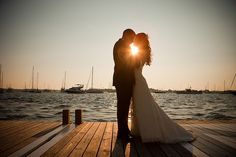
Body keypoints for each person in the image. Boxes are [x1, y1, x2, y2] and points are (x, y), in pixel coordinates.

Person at [130, 33, 194, 143]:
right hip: (138, 81)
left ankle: (149, 132)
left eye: (135, 39)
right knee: (140, 106)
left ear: (139, 40)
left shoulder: (138, 52)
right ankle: (140, 131)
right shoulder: (142, 51)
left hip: (138, 82)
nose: (134, 40)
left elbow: (131, 66)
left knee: (142, 107)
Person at [113, 29, 136, 141]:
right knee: (122, 107)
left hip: (125, 80)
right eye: (132, 38)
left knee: (124, 107)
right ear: (127, 36)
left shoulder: (123, 45)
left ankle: (124, 130)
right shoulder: (120, 45)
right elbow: (126, 61)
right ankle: (122, 133)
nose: (132, 41)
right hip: (123, 80)